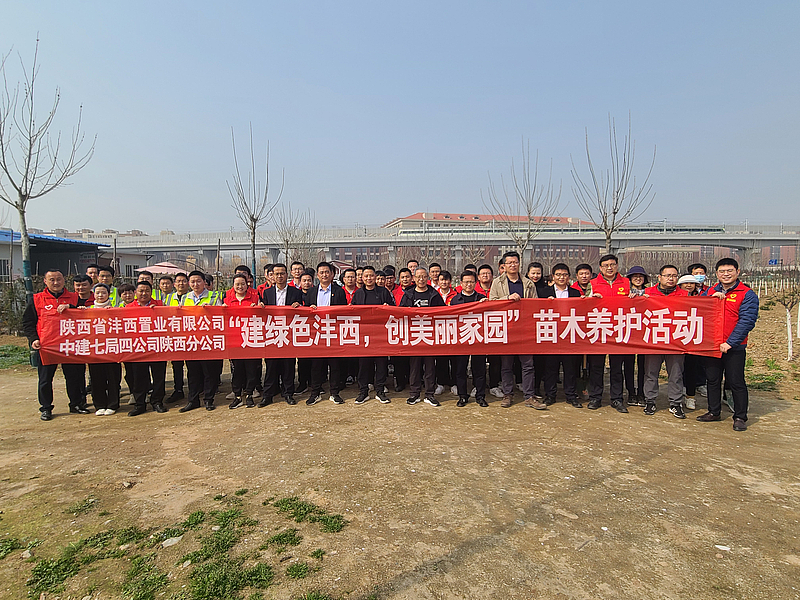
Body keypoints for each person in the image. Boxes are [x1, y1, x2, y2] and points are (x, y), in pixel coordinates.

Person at [696, 258, 758, 432]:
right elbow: (698, 310)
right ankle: (713, 411)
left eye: (730, 271)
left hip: (734, 347)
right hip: (712, 345)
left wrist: (730, 342)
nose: (726, 274)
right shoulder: (710, 292)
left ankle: (740, 417)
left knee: (736, 381)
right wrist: (710, 300)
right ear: (717, 274)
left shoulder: (746, 294)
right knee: (712, 380)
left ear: (737, 272)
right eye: (722, 271)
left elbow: (747, 321)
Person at [22, 269, 89, 420]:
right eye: (52, 279)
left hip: (70, 345)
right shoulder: (37, 299)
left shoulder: (74, 297)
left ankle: (76, 404)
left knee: (74, 377)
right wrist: (33, 339)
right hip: (47, 346)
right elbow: (28, 322)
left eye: (59, 279)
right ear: (45, 281)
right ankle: (46, 408)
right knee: (45, 379)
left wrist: (71, 307)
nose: (56, 282)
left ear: (64, 280)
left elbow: (86, 316)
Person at [489, 251, 545, 409]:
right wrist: (507, 298)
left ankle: (529, 396)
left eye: (515, 262)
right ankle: (508, 394)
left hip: (524, 329)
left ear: (520, 264)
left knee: (528, 364)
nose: (513, 265)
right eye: (509, 263)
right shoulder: (497, 283)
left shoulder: (528, 283)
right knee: (506, 365)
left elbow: (535, 305)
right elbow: (492, 303)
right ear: (504, 265)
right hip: (506, 329)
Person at [642, 265, 689, 418]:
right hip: (654, 340)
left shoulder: (685, 295)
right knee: (651, 373)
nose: (671, 278)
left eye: (674, 276)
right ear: (659, 277)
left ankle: (676, 403)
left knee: (676, 374)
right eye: (667, 275)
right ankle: (650, 401)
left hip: (676, 341)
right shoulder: (647, 293)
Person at [586, 254, 631, 413]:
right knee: (596, 366)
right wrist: (591, 298)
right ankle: (595, 397)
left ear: (617, 266)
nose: (609, 268)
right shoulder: (593, 283)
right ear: (600, 268)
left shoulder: (626, 282)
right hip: (599, 329)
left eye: (612, 264)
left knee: (617, 367)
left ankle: (617, 398)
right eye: (606, 265)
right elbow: (584, 304)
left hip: (619, 330)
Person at [179, 270, 223, 412]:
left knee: (209, 372)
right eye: (192, 282)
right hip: (191, 341)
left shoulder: (214, 296)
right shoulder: (184, 298)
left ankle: (209, 400)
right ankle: (193, 400)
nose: (195, 284)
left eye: (198, 281)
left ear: (204, 282)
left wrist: (210, 310)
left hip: (208, 340)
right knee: (193, 373)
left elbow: (221, 315)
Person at [539, 263, 583, 408]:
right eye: (558, 275)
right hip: (551, 334)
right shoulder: (544, 292)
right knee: (550, 367)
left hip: (569, 334)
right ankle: (550, 395)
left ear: (569, 277)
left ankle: (571, 395)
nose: (561, 277)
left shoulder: (576, 293)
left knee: (570, 368)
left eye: (564, 275)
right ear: (553, 276)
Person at [400, 267, 445, 406]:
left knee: (430, 367)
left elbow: (443, 312)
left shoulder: (434, 294)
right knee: (414, 366)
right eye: (418, 277)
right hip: (414, 336)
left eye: (424, 276)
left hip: (430, 336)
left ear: (428, 278)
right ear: (414, 278)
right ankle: (414, 394)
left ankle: (429, 394)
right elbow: (400, 313)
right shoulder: (408, 295)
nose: (421, 279)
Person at [305, 261, 348, 405]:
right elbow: (304, 313)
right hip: (317, 333)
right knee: (316, 366)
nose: (324, 275)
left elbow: (343, 312)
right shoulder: (312, 291)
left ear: (332, 274)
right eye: (321, 272)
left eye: (327, 272)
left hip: (333, 333)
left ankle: (334, 393)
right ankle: (315, 393)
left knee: (335, 365)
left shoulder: (339, 291)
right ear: (317, 275)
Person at [260, 263, 303, 406]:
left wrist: (298, 307)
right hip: (272, 333)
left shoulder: (295, 292)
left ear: (287, 275)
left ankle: (288, 393)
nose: (279, 276)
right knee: (271, 366)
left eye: (282, 273)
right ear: (272, 276)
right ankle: (268, 395)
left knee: (288, 365)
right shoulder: (267, 293)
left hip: (288, 333)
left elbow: (302, 312)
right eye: (276, 274)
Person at [351, 265, 395, 404]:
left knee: (381, 364)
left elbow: (394, 310)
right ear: (362, 278)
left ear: (375, 277)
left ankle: (380, 391)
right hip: (364, 335)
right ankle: (363, 391)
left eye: (371, 275)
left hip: (380, 334)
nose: (369, 278)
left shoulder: (383, 291)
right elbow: (352, 312)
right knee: (364, 364)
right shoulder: (358, 293)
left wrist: (388, 308)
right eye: (366, 276)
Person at [125, 281, 168, 416]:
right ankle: (140, 404)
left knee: (158, 376)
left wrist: (159, 312)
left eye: (147, 291)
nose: (144, 293)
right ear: (135, 293)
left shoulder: (159, 305)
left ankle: (157, 402)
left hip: (157, 346)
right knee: (139, 377)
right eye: (141, 291)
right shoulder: (128, 307)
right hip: (138, 348)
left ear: (151, 292)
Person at [450, 271, 488, 407]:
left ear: (476, 283)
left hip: (478, 338)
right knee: (460, 369)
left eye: (471, 282)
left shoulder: (481, 298)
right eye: (466, 282)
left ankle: (480, 396)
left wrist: (486, 304)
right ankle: (462, 396)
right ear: (461, 283)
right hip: (461, 339)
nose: (469, 284)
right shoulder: (455, 300)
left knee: (479, 369)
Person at [225, 273, 262, 409]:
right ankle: (237, 396)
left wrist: (259, 307)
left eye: (243, 284)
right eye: (237, 284)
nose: (240, 286)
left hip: (251, 339)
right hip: (234, 341)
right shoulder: (228, 300)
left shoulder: (255, 298)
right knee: (237, 370)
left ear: (247, 285)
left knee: (251, 369)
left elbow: (262, 315)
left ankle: (250, 394)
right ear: (233, 286)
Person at [86, 283, 121, 415]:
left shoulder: (116, 309)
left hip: (112, 349)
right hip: (95, 350)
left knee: (113, 378)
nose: (100, 295)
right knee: (96, 378)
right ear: (93, 294)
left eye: (103, 292)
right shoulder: (87, 309)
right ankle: (99, 405)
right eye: (98, 293)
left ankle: (113, 404)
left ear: (109, 294)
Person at [624, 266, 649, 406]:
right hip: (629, 332)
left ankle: (641, 392)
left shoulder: (650, 292)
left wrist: (649, 299)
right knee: (629, 364)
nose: (638, 279)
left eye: (641, 276)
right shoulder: (624, 292)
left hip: (645, 333)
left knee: (643, 365)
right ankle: (631, 392)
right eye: (635, 276)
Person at [164, 272, 190, 402]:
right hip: (174, 336)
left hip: (190, 335)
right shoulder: (168, 298)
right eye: (178, 281)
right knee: (177, 365)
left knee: (192, 365)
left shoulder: (192, 297)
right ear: (174, 284)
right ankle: (178, 389)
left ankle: (194, 389)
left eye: (184, 281)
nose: (181, 283)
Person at [295, 268, 316, 395]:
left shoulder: (316, 293)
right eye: (304, 281)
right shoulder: (295, 294)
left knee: (314, 359)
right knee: (302, 359)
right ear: (300, 282)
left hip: (314, 330)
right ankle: (302, 383)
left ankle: (314, 383)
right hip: (300, 330)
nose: (307, 283)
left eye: (309, 280)